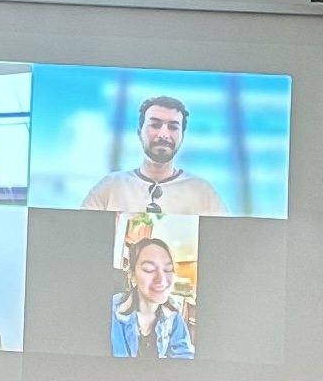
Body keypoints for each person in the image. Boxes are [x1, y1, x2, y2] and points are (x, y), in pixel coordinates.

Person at [77, 96, 229, 215]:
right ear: (139, 133)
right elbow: (82, 235)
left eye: (173, 127)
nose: (164, 134)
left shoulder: (202, 191)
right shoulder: (109, 186)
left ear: (182, 136)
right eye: (155, 125)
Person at [111, 236, 193, 359]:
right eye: (149, 269)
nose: (161, 279)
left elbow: (185, 355)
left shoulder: (174, 314)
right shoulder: (113, 311)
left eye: (168, 269)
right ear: (133, 276)